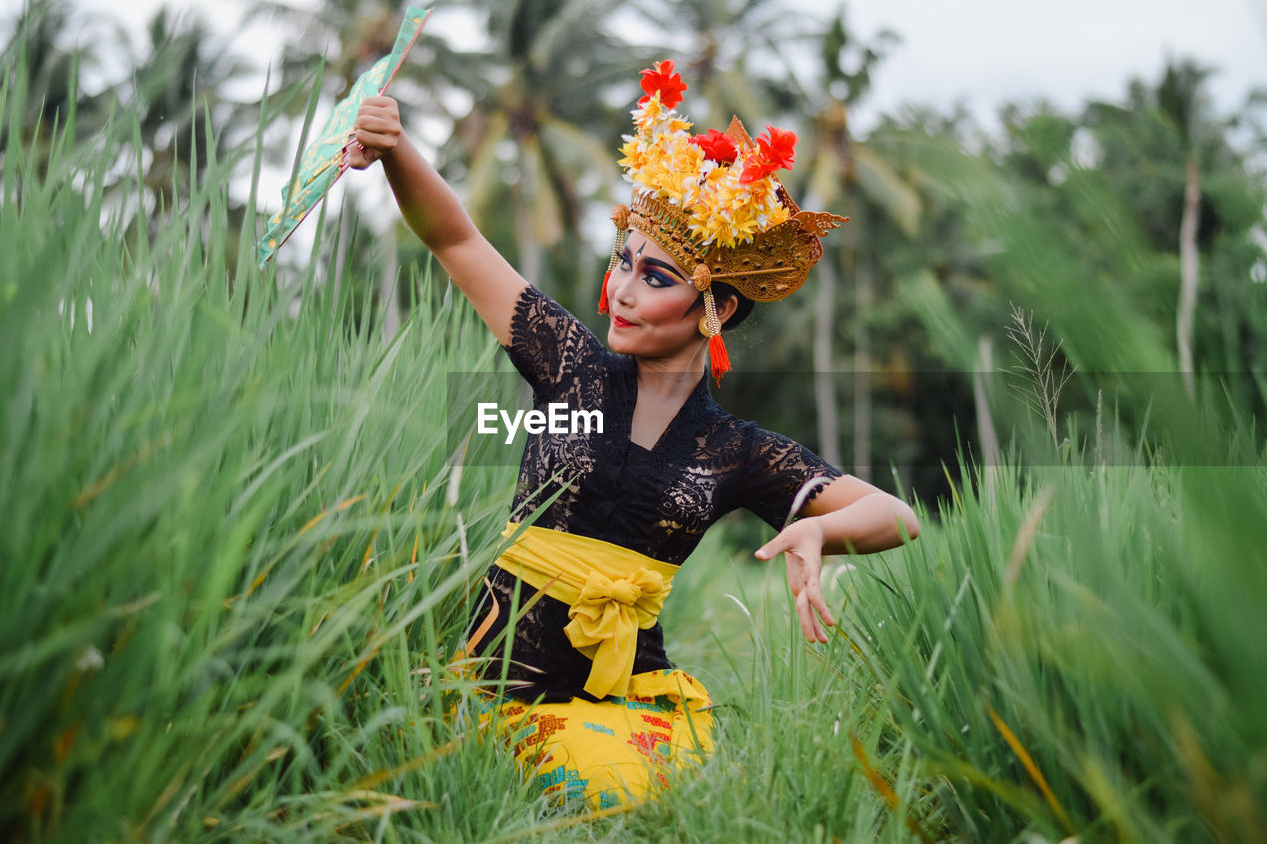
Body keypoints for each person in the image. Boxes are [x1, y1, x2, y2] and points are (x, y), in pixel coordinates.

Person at [347, 60, 920, 811]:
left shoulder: (736, 451)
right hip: (499, 681)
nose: (620, 289)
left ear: (715, 308)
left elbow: (897, 517)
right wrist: (396, 150)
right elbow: (455, 238)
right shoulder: (569, 367)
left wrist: (819, 535)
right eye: (625, 260)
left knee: (651, 793)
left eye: (656, 277)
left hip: (626, 696)